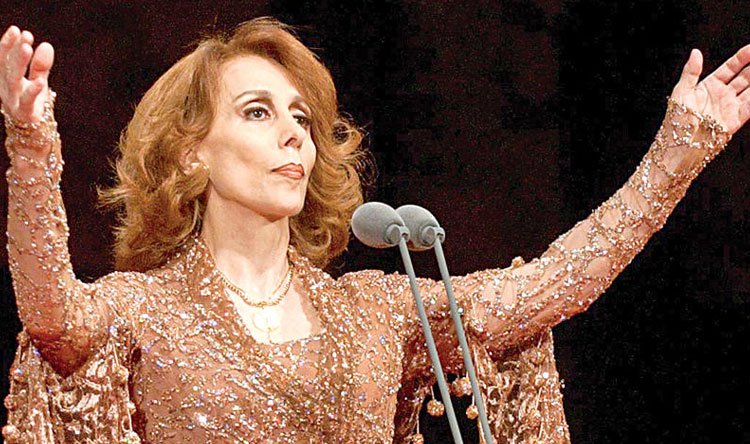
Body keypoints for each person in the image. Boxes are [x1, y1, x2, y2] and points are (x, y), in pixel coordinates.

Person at [0, 16, 748, 443]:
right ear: (192, 152)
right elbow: (51, 315)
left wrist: (675, 156)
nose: (294, 135)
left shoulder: (378, 310)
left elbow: (553, 286)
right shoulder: (142, 310)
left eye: (302, 118)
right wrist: (30, 146)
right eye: (258, 112)